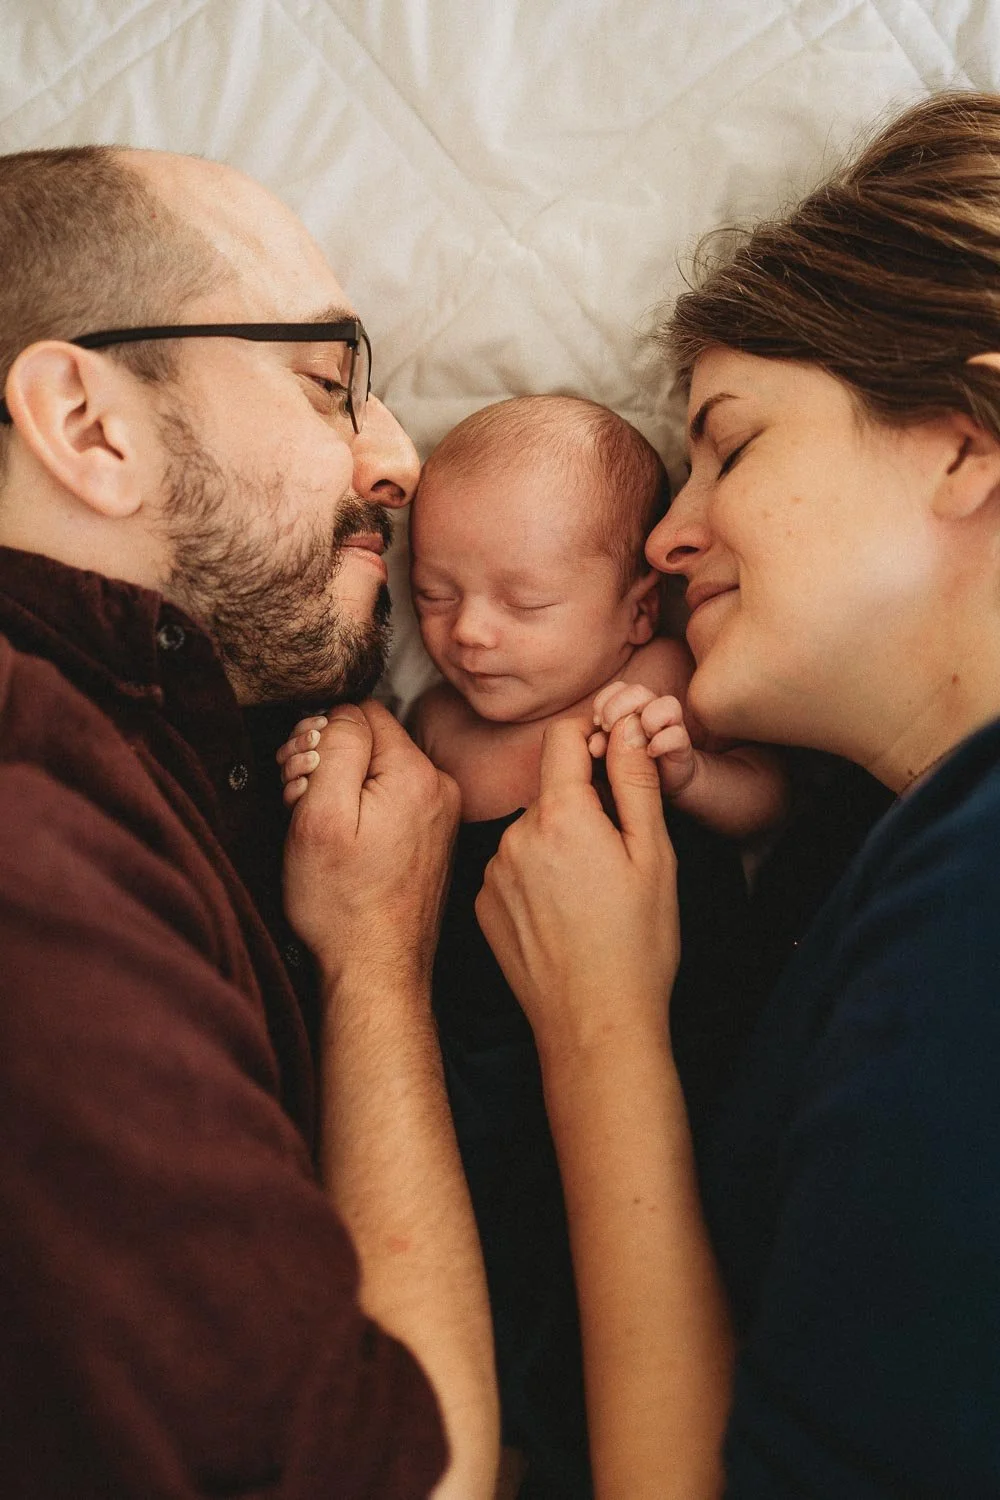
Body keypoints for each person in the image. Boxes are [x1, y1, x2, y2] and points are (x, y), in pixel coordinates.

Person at [472, 88, 1000, 1498]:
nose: (667, 532)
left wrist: (597, 1024)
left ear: (965, 442)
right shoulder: (893, 848)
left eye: (735, 441)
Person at [0, 144, 500, 1497]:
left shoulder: (148, 749)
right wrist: (375, 968)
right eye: (328, 385)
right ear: (90, 427)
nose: (398, 461)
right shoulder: (29, 851)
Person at [279, 394, 788, 1495]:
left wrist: (691, 773)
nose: (470, 634)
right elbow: (371, 821)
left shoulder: (656, 686)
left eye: (525, 601)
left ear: (632, 606)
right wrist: (323, 757)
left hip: (652, 1039)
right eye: (437, 595)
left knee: (595, 1271)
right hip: (465, 1056)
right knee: (482, 1253)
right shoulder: (434, 724)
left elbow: (768, 813)